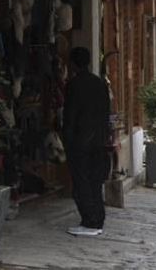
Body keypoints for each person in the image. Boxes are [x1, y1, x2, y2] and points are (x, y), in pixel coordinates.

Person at [62, 47, 111, 237]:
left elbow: (71, 115)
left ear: (73, 63)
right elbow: (106, 112)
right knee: (95, 181)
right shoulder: (100, 83)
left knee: (81, 182)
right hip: (99, 141)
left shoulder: (74, 85)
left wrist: (68, 139)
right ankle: (97, 218)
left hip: (80, 142)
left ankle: (89, 221)